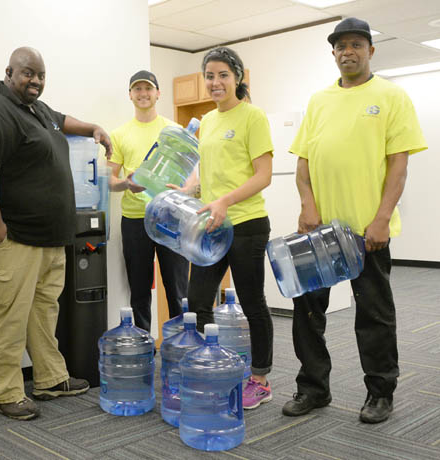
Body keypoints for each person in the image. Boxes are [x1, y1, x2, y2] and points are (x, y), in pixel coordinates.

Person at [282, 18, 427, 424]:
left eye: (356, 45)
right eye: (341, 46)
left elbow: (399, 165)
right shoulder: (319, 100)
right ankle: (313, 388)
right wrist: (307, 205)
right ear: (333, 53)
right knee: (307, 313)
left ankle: (380, 392)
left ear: (370, 51)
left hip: (367, 234)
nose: (348, 51)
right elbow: (303, 162)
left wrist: (382, 219)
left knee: (374, 315)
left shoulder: (391, 96)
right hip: (320, 232)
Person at [0, 47, 112, 421]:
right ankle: (7, 393)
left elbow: (62, 121)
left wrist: (92, 127)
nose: (36, 81)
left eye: (41, 76)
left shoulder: (36, 110)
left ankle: (50, 378)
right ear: (9, 72)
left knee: (44, 311)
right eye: (28, 74)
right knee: (8, 313)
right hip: (11, 233)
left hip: (48, 236)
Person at [177, 47, 274, 410]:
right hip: (212, 225)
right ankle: (213, 367)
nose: (215, 82)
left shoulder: (253, 117)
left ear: (237, 77)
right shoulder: (208, 120)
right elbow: (208, 170)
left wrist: (226, 201)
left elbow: (263, 175)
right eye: (210, 76)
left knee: (252, 302)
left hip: (247, 223)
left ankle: (260, 379)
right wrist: (189, 189)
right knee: (198, 300)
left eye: (222, 75)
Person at [108, 71, 189, 333]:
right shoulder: (119, 134)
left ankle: (181, 344)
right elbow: (109, 180)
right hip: (135, 220)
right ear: (130, 95)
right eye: (137, 89)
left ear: (158, 93)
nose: (143, 93)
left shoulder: (174, 130)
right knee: (139, 290)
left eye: (148, 88)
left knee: (178, 289)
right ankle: (144, 345)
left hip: (170, 218)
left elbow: (190, 175)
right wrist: (126, 184)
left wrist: (185, 190)